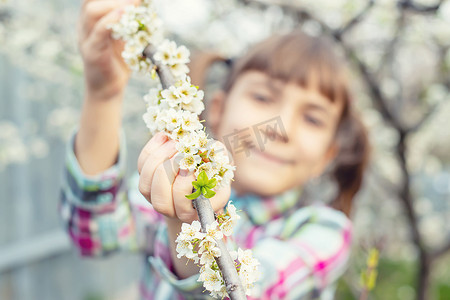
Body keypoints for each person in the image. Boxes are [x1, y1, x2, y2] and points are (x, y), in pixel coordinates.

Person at [59, 1, 369, 299]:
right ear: (217, 111)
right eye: (263, 98)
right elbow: (93, 231)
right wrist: (103, 95)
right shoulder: (168, 184)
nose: (280, 127)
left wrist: (189, 222)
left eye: (312, 118)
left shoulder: (324, 231)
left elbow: (250, 291)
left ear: (326, 156)